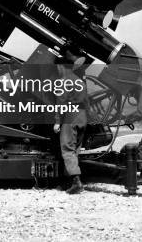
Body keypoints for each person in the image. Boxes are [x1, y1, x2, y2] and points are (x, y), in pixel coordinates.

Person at [53, 62, 89, 194]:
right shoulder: (79, 81)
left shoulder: (63, 81)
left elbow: (61, 102)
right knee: (75, 150)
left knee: (67, 149)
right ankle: (68, 181)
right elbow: (87, 102)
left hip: (71, 115)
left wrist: (58, 121)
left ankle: (76, 182)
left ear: (61, 66)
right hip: (82, 116)